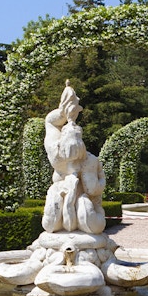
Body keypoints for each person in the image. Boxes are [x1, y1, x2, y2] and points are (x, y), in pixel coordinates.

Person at [42, 81, 106, 234]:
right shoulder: (89, 161)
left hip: (68, 213)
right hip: (84, 217)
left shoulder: (56, 155)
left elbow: (49, 122)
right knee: (82, 207)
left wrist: (64, 111)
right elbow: (94, 189)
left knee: (53, 219)